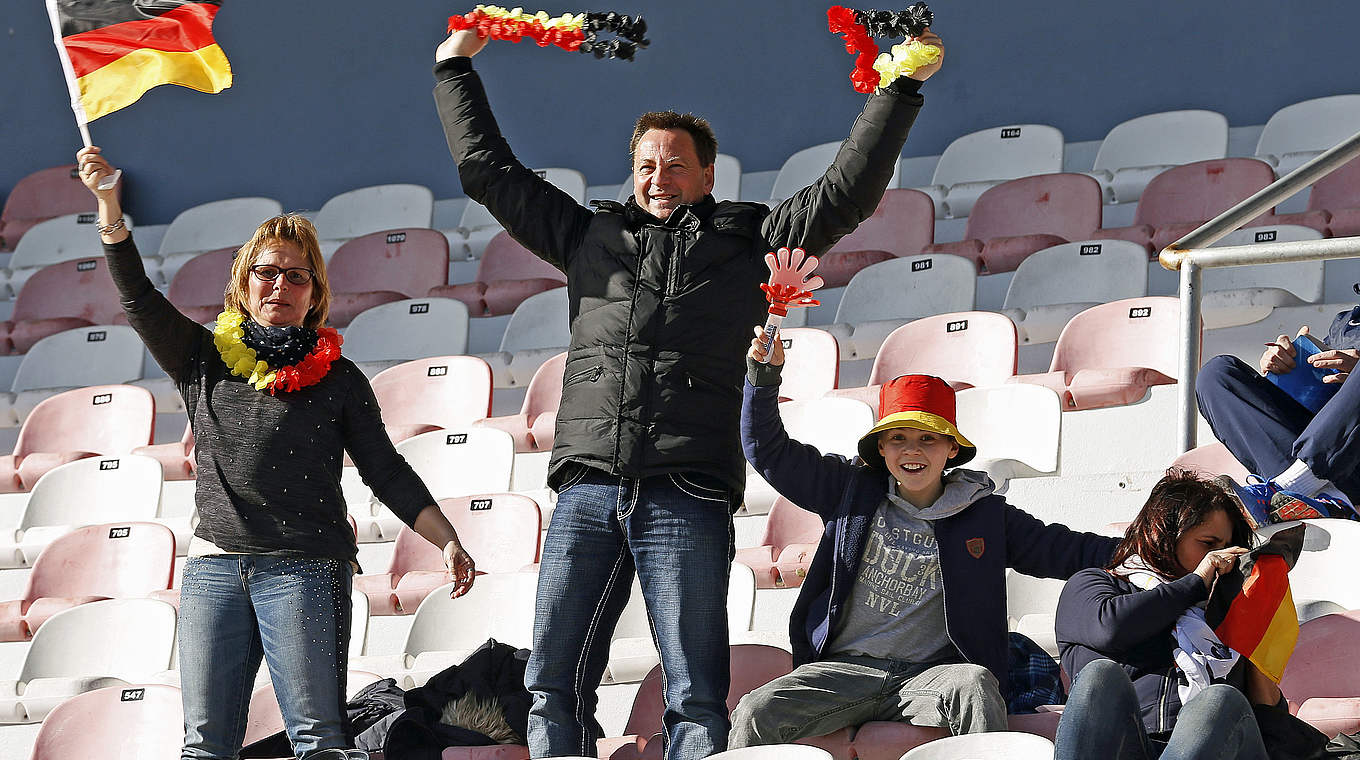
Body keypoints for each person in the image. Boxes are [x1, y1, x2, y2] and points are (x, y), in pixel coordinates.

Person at [431, 23, 944, 760]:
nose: (658, 177)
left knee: (695, 692)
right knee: (551, 682)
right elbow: (488, 171)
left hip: (688, 487)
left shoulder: (751, 242)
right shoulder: (586, 239)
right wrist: (454, 70)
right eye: (646, 164)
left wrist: (899, 88)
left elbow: (845, 194)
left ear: (708, 176)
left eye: (675, 165)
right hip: (588, 487)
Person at [76, 146, 477, 760]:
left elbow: (385, 469)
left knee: (318, 740)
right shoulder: (202, 357)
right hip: (215, 569)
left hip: (307, 568)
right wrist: (109, 209)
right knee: (204, 746)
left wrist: (445, 537)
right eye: (267, 272)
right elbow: (138, 298)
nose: (281, 285)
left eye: (297, 275)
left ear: (315, 291)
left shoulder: (340, 378)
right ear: (243, 282)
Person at [727, 330, 1118, 747]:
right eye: (898, 438)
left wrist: (1151, 550)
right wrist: (764, 375)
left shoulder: (984, 514)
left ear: (952, 448)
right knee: (754, 711)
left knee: (975, 684)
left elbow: (1066, 549)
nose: (912, 451)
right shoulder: (846, 487)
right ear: (880, 447)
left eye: (927, 438)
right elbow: (766, 449)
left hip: (930, 676)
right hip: (845, 671)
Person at [1052, 469, 1328, 760]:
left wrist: (1254, 654)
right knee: (1100, 674)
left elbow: (1268, 722)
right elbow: (1110, 627)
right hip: (1132, 744)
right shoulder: (1096, 584)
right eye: (1208, 544)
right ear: (1164, 535)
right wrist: (1195, 583)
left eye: (1226, 547)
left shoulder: (1225, 610)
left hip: (1218, 748)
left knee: (1220, 699)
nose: (1220, 557)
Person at [1197, 315, 1360, 526]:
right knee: (1217, 374)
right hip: (1325, 450)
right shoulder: (1348, 321)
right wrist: (1284, 364)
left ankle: (1288, 488)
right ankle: (1318, 500)